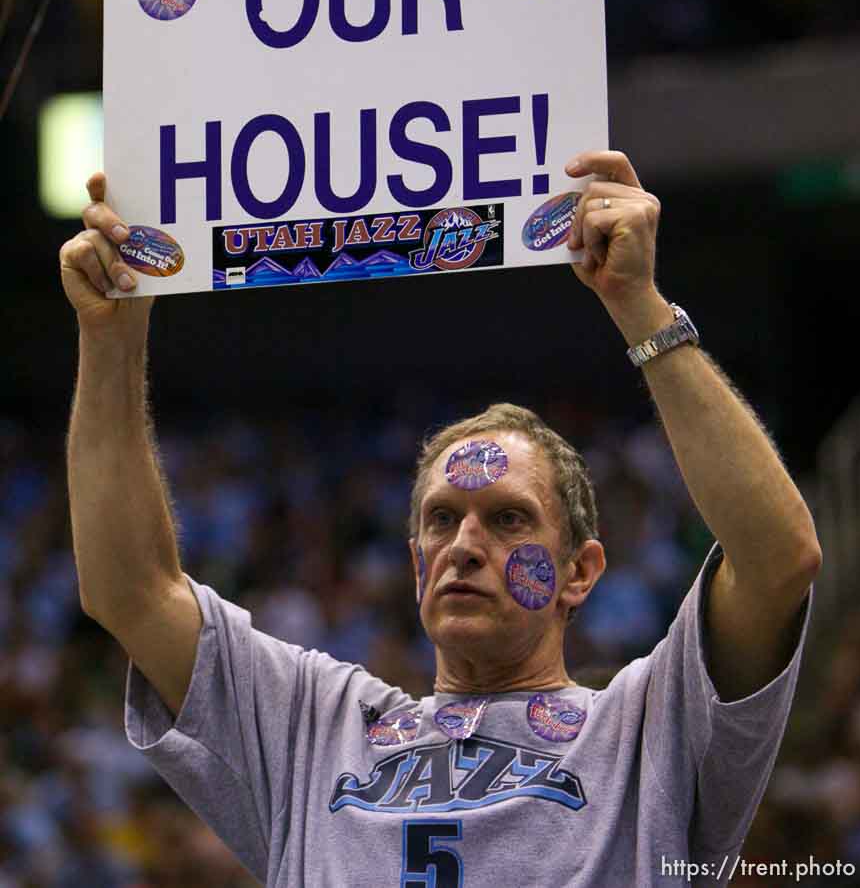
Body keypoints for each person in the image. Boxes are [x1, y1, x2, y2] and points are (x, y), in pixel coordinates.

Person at [60, 149, 820, 888]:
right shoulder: (314, 726)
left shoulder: (648, 731)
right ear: (415, 558)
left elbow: (777, 557)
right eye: (441, 519)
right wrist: (110, 337)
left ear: (580, 571)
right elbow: (131, 591)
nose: (464, 545)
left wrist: (639, 308)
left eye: (509, 520)